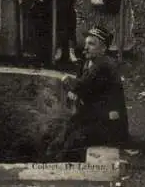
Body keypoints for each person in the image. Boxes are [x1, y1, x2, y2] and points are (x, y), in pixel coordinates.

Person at [46, 26, 129, 161]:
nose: (86, 47)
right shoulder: (90, 62)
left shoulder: (103, 65)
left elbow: (80, 86)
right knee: (65, 131)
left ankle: (60, 167)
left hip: (108, 124)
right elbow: (83, 86)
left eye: (91, 44)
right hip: (95, 114)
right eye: (86, 43)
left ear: (103, 49)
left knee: (73, 141)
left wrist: (66, 81)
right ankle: (53, 160)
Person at [47, 0, 85, 65]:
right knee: (58, 29)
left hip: (69, 11)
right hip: (57, 11)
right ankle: (58, 51)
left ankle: (71, 52)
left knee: (71, 30)